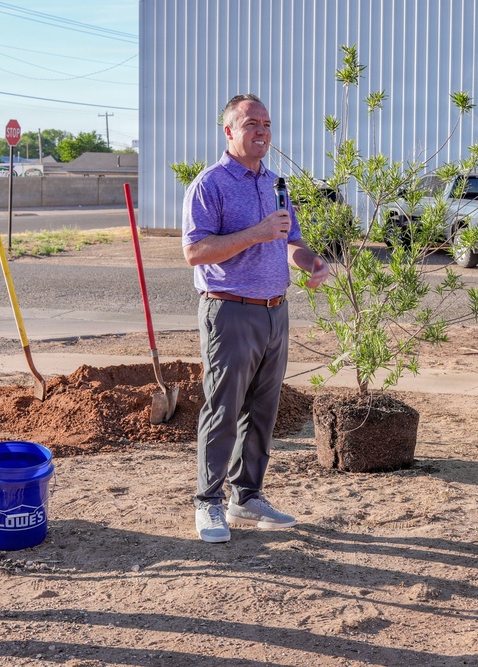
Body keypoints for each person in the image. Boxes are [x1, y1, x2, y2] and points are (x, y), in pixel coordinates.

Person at [182, 93, 330, 543]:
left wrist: (311, 263)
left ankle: (245, 496)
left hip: (274, 310)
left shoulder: (275, 182)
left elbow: (290, 240)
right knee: (223, 408)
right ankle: (207, 502)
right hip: (229, 310)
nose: (261, 131)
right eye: (250, 124)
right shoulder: (209, 184)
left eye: (266, 123)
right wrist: (257, 232)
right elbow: (195, 251)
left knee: (262, 411)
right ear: (228, 131)